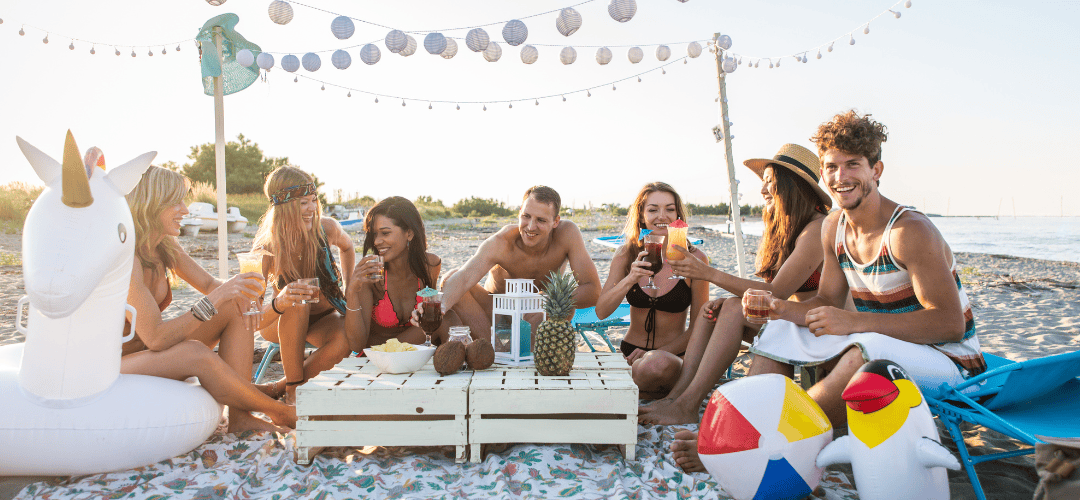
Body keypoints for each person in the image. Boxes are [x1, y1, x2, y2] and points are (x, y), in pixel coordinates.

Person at [671, 111, 985, 473]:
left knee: (864, 350)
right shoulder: (833, 226)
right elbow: (824, 303)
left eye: (853, 165)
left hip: (950, 363)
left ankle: (759, 443)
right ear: (822, 172)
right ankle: (742, 429)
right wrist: (776, 308)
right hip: (883, 343)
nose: (841, 177)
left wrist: (853, 321)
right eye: (832, 166)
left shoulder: (908, 231)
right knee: (781, 329)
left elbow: (949, 325)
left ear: (876, 171)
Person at [638, 145, 832, 424]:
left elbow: (776, 293)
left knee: (731, 308)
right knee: (711, 310)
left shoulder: (817, 228)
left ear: (793, 186)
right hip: (789, 320)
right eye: (763, 183)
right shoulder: (791, 226)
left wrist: (708, 273)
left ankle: (688, 404)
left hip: (816, 326)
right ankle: (678, 399)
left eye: (770, 183)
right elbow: (770, 290)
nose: (763, 190)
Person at [122, 166, 295, 433]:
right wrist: (217, 297)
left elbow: (208, 284)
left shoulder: (164, 245)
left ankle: (241, 417)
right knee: (194, 352)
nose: (185, 209)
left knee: (235, 306)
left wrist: (243, 293)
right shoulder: (128, 260)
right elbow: (155, 338)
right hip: (118, 364)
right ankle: (280, 412)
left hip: (150, 353)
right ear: (151, 204)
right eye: (175, 202)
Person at [434, 186, 601, 339]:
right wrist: (438, 308)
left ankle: (532, 353)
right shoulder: (503, 242)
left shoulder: (567, 234)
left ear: (555, 221)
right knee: (450, 277)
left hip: (538, 313)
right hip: (495, 311)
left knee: (565, 302)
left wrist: (547, 299)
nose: (530, 227)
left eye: (541, 220)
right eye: (526, 216)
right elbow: (464, 277)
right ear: (520, 212)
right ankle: (487, 348)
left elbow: (593, 291)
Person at [593, 182, 710, 400]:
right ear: (642, 215)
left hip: (670, 358)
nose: (662, 216)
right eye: (653, 209)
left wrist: (652, 354)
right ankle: (636, 390)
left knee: (656, 365)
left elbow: (698, 328)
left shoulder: (695, 259)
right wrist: (631, 279)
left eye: (669, 209)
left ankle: (629, 390)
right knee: (643, 368)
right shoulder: (626, 255)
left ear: (678, 215)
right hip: (630, 354)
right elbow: (602, 311)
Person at [253, 166, 354, 404]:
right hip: (279, 322)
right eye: (303, 203)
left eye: (313, 200)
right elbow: (254, 318)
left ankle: (281, 386)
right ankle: (293, 390)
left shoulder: (326, 229)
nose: (312, 209)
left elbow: (348, 247)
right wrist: (281, 302)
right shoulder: (267, 249)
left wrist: (349, 288)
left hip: (322, 319)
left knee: (350, 334)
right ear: (284, 207)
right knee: (298, 301)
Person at [344, 196, 447, 350]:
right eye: (374, 235)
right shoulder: (371, 274)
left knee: (447, 316)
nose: (377, 241)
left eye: (385, 233)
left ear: (410, 234)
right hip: (379, 355)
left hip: (413, 352)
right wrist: (351, 291)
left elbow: (428, 321)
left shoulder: (429, 265)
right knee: (447, 319)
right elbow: (357, 345)